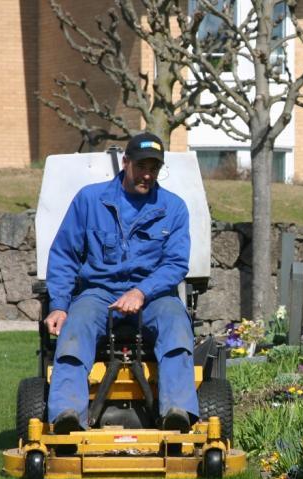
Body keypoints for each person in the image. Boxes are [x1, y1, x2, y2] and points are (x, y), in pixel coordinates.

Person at [43, 131, 197, 435]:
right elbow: (64, 255)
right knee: (75, 329)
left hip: (155, 296)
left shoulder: (174, 208)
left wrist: (141, 291)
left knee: (177, 327)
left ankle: (177, 413)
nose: (147, 174)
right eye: (141, 166)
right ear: (125, 163)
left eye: (154, 168)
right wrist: (59, 306)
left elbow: (176, 263)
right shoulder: (90, 200)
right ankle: (67, 413)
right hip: (98, 294)